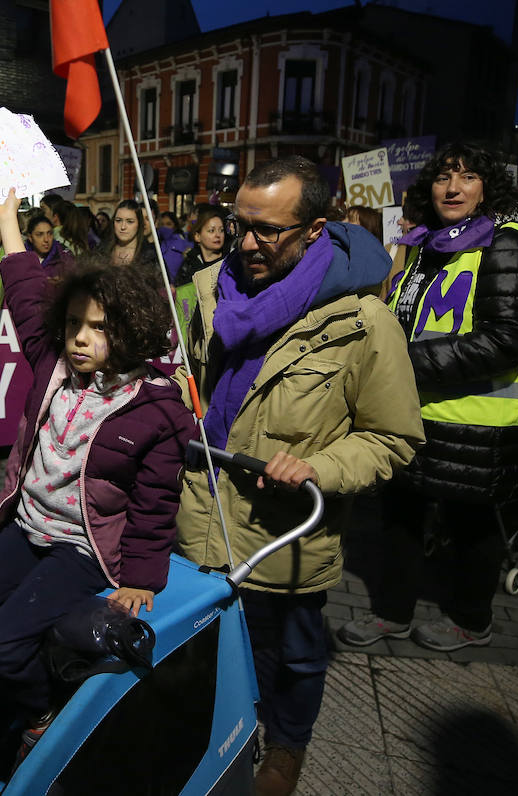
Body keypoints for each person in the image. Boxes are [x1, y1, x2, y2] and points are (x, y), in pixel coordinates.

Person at [174, 156, 423, 795]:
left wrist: (318, 467)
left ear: (315, 229)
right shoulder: (208, 291)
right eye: (240, 225)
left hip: (283, 534)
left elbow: (392, 437)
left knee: (292, 655)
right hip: (200, 516)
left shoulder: (363, 321)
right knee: (209, 649)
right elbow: (185, 382)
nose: (246, 244)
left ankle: (287, 746)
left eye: (268, 230)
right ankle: (217, 739)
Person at [0, 188, 193, 766]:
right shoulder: (52, 364)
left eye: (98, 327)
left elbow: (155, 502)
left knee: (1, 643)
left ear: (129, 331)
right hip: (28, 528)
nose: (80, 337)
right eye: (74, 322)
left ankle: (39, 710)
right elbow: (25, 292)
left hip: (82, 548)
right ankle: (8, 677)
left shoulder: (157, 408)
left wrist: (143, 579)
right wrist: (8, 220)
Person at [340, 143, 518, 655]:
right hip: (412, 413)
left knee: (473, 529)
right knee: (401, 521)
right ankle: (392, 614)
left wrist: (399, 364)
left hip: (480, 420)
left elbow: (505, 341)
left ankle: (471, 621)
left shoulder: (509, 244)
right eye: (443, 177)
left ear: (487, 188)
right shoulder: (425, 244)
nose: (453, 188)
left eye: (467, 177)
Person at [172, 204, 229, 287]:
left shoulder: (229, 263)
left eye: (221, 230)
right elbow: (180, 290)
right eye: (211, 230)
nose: (218, 235)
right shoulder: (189, 264)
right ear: (197, 236)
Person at [98, 199, 153, 268]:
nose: (123, 227)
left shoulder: (150, 255)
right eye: (118, 220)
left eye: (130, 221)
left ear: (139, 224)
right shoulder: (102, 250)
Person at [154, 209, 193, 280]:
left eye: (168, 224)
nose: (165, 227)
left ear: (175, 226)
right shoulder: (155, 243)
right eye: (162, 224)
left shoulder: (184, 242)